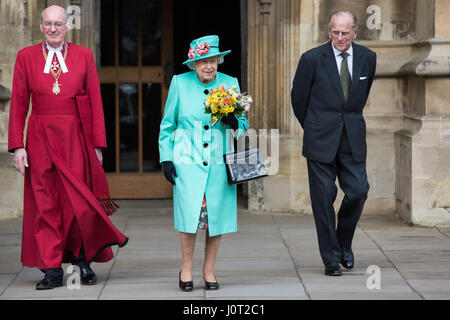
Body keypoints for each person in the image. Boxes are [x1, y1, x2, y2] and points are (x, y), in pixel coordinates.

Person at [8, 5, 128, 290]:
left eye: (58, 24)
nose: (53, 28)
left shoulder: (84, 56)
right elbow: (18, 104)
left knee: (78, 201)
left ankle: (80, 261)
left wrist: (98, 145)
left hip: (76, 137)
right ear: (40, 26)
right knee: (45, 203)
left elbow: (96, 102)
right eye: (47, 24)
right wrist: (17, 146)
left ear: (67, 26)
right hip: (39, 137)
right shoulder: (25, 57)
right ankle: (51, 269)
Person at [159, 35, 248, 291]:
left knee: (214, 218)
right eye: (203, 61)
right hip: (187, 161)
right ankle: (186, 268)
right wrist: (166, 158)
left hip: (219, 162)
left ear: (219, 61)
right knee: (191, 217)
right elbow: (168, 125)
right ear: (193, 64)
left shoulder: (230, 83)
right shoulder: (179, 83)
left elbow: (243, 124)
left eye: (213, 61)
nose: (209, 66)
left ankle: (209, 269)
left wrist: (235, 123)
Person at [291, 11, 376, 276]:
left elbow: (360, 96)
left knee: (359, 191)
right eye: (335, 32)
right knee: (324, 197)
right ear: (329, 32)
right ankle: (330, 258)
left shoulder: (368, 58)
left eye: (345, 32)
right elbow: (298, 99)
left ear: (355, 32)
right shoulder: (312, 59)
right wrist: (315, 127)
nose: (339, 37)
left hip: (352, 138)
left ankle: (343, 244)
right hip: (320, 139)